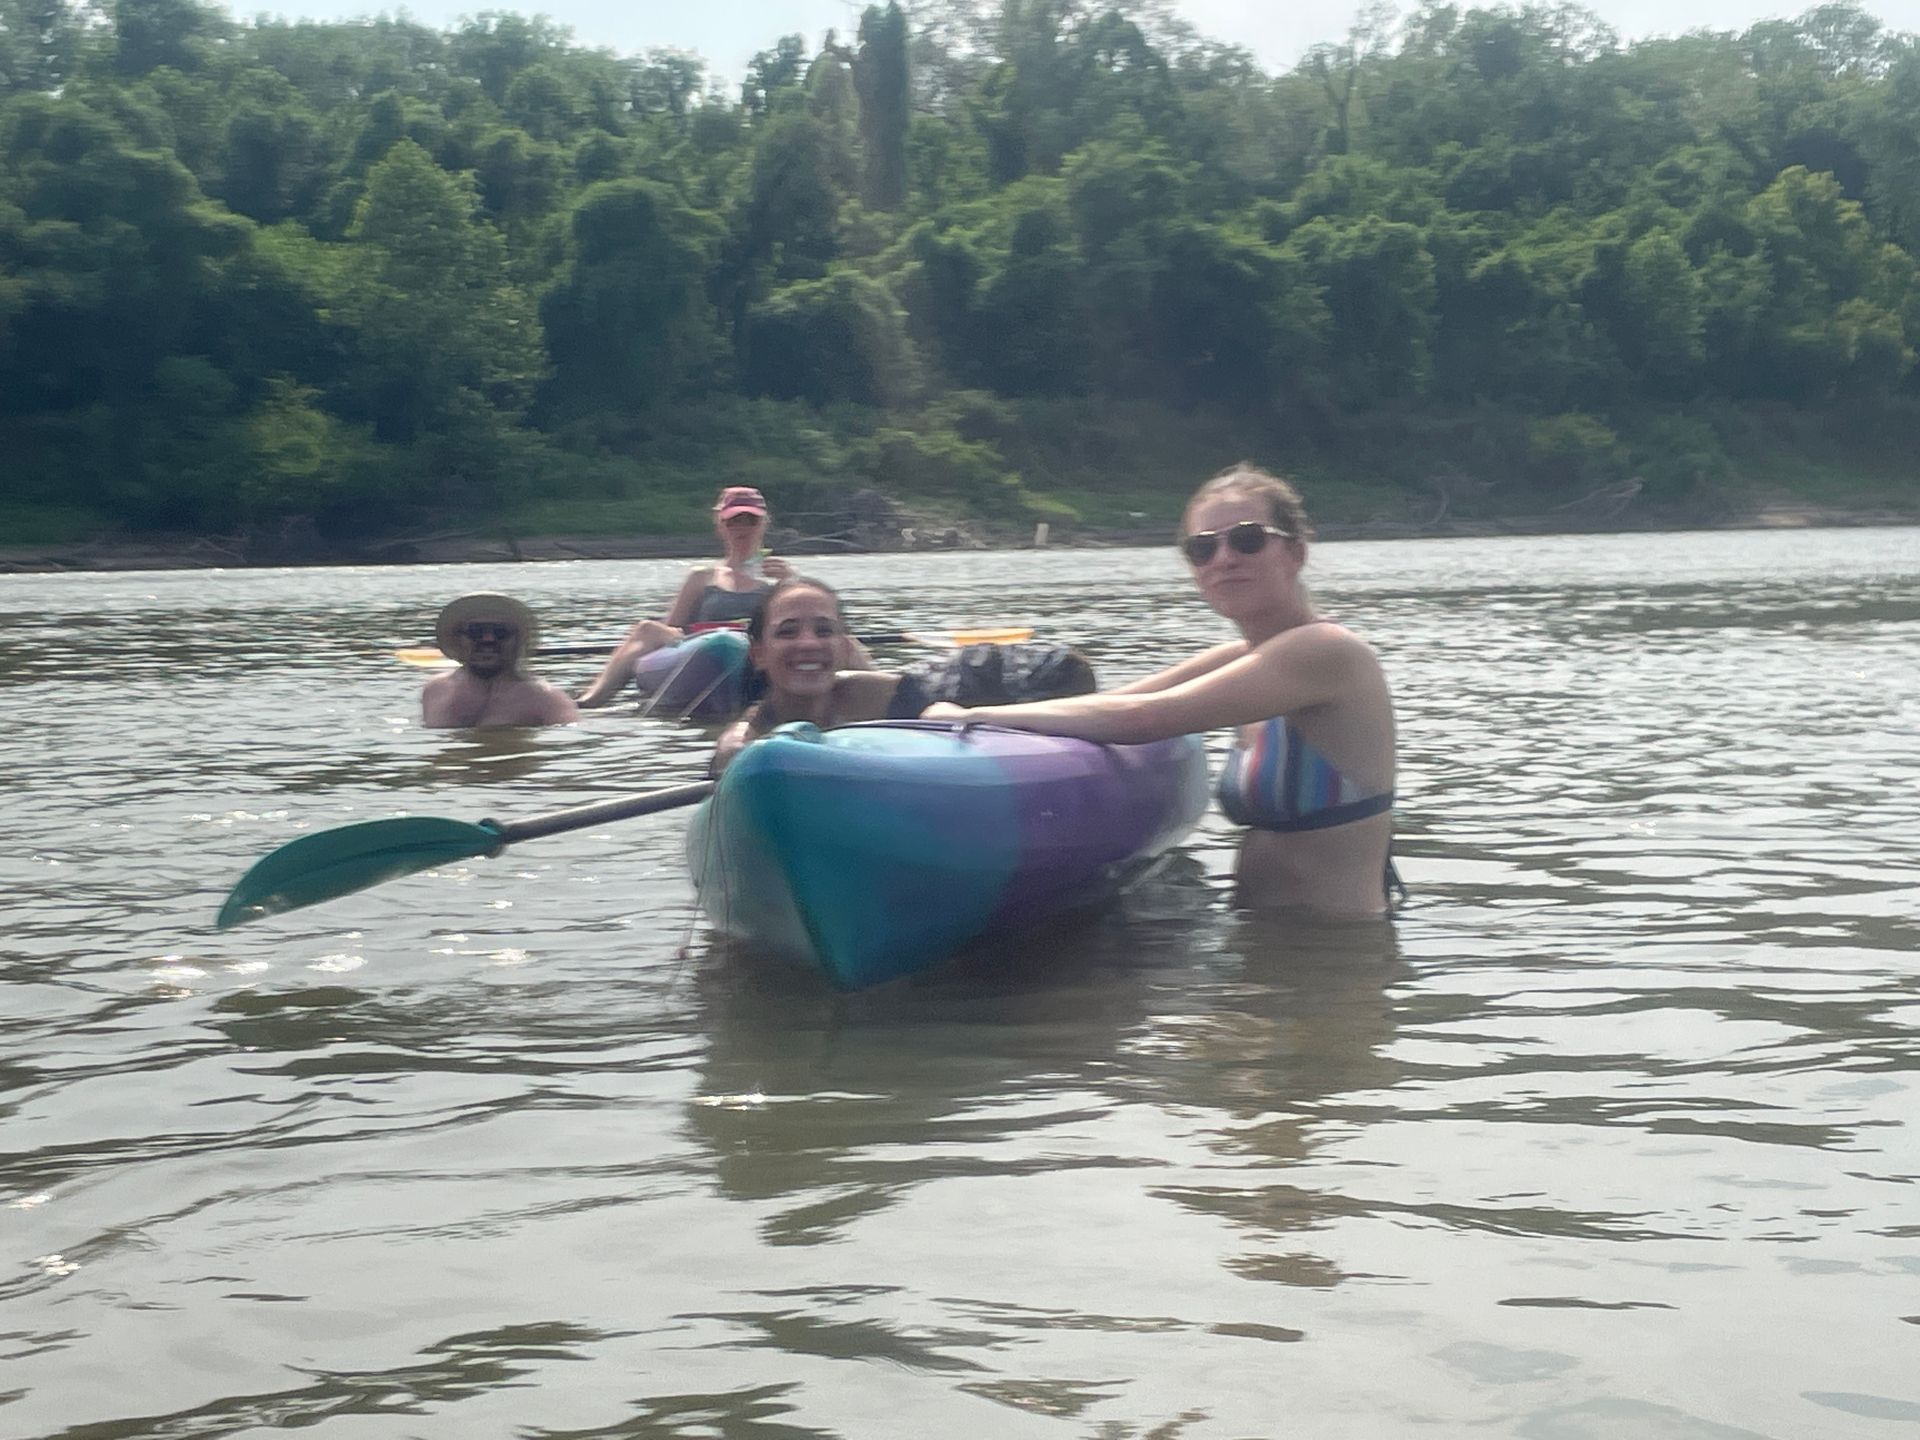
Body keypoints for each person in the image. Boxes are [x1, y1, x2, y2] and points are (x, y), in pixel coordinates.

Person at [924, 463, 1399, 918]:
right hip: (1264, 938)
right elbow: (1112, 703)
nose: (1224, 559)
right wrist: (989, 722)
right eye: (1202, 548)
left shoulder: (1326, 651)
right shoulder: (1240, 657)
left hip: (1336, 942)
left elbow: (1145, 718)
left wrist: (972, 718)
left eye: (1248, 540)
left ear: (1295, 553)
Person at [575, 485, 796, 709]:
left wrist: (789, 582)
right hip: (705, 647)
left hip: (756, 648)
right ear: (721, 525)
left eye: (751, 521)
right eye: (734, 521)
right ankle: (591, 699)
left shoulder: (781, 579)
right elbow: (672, 629)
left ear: (763, 524)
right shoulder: (702, 577)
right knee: (647, 629)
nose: (742, 528)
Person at [709, 577, 930, 774]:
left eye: (824, 631)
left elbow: (937, 716)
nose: (809, 643)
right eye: (787, 632)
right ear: (759, 654)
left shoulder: (893, 695)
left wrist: (949, 716)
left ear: (846, 648)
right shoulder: (742, 747)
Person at [421, 593, 580, 729]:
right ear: (458, 639)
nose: (488, 639)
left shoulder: (548, 700)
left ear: (517, 640)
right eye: (476, 631)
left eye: (501, 632)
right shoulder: (435, 690)